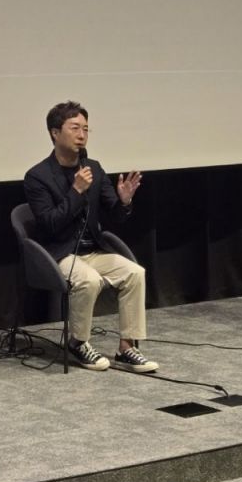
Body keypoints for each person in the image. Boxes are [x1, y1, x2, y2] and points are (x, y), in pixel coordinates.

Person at [23, 101, 158, 372]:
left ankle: (127, 348)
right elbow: (50, 224)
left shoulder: (93, 168)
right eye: (74, 128)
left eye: (85, 129)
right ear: (55, 133)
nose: (82, 135)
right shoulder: (37, 176)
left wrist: (124, 201)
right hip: (60, 254)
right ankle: (78, 342)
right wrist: (76, 191)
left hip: (93, 250)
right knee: (89, 279)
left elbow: (115, 215)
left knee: (134, 272)